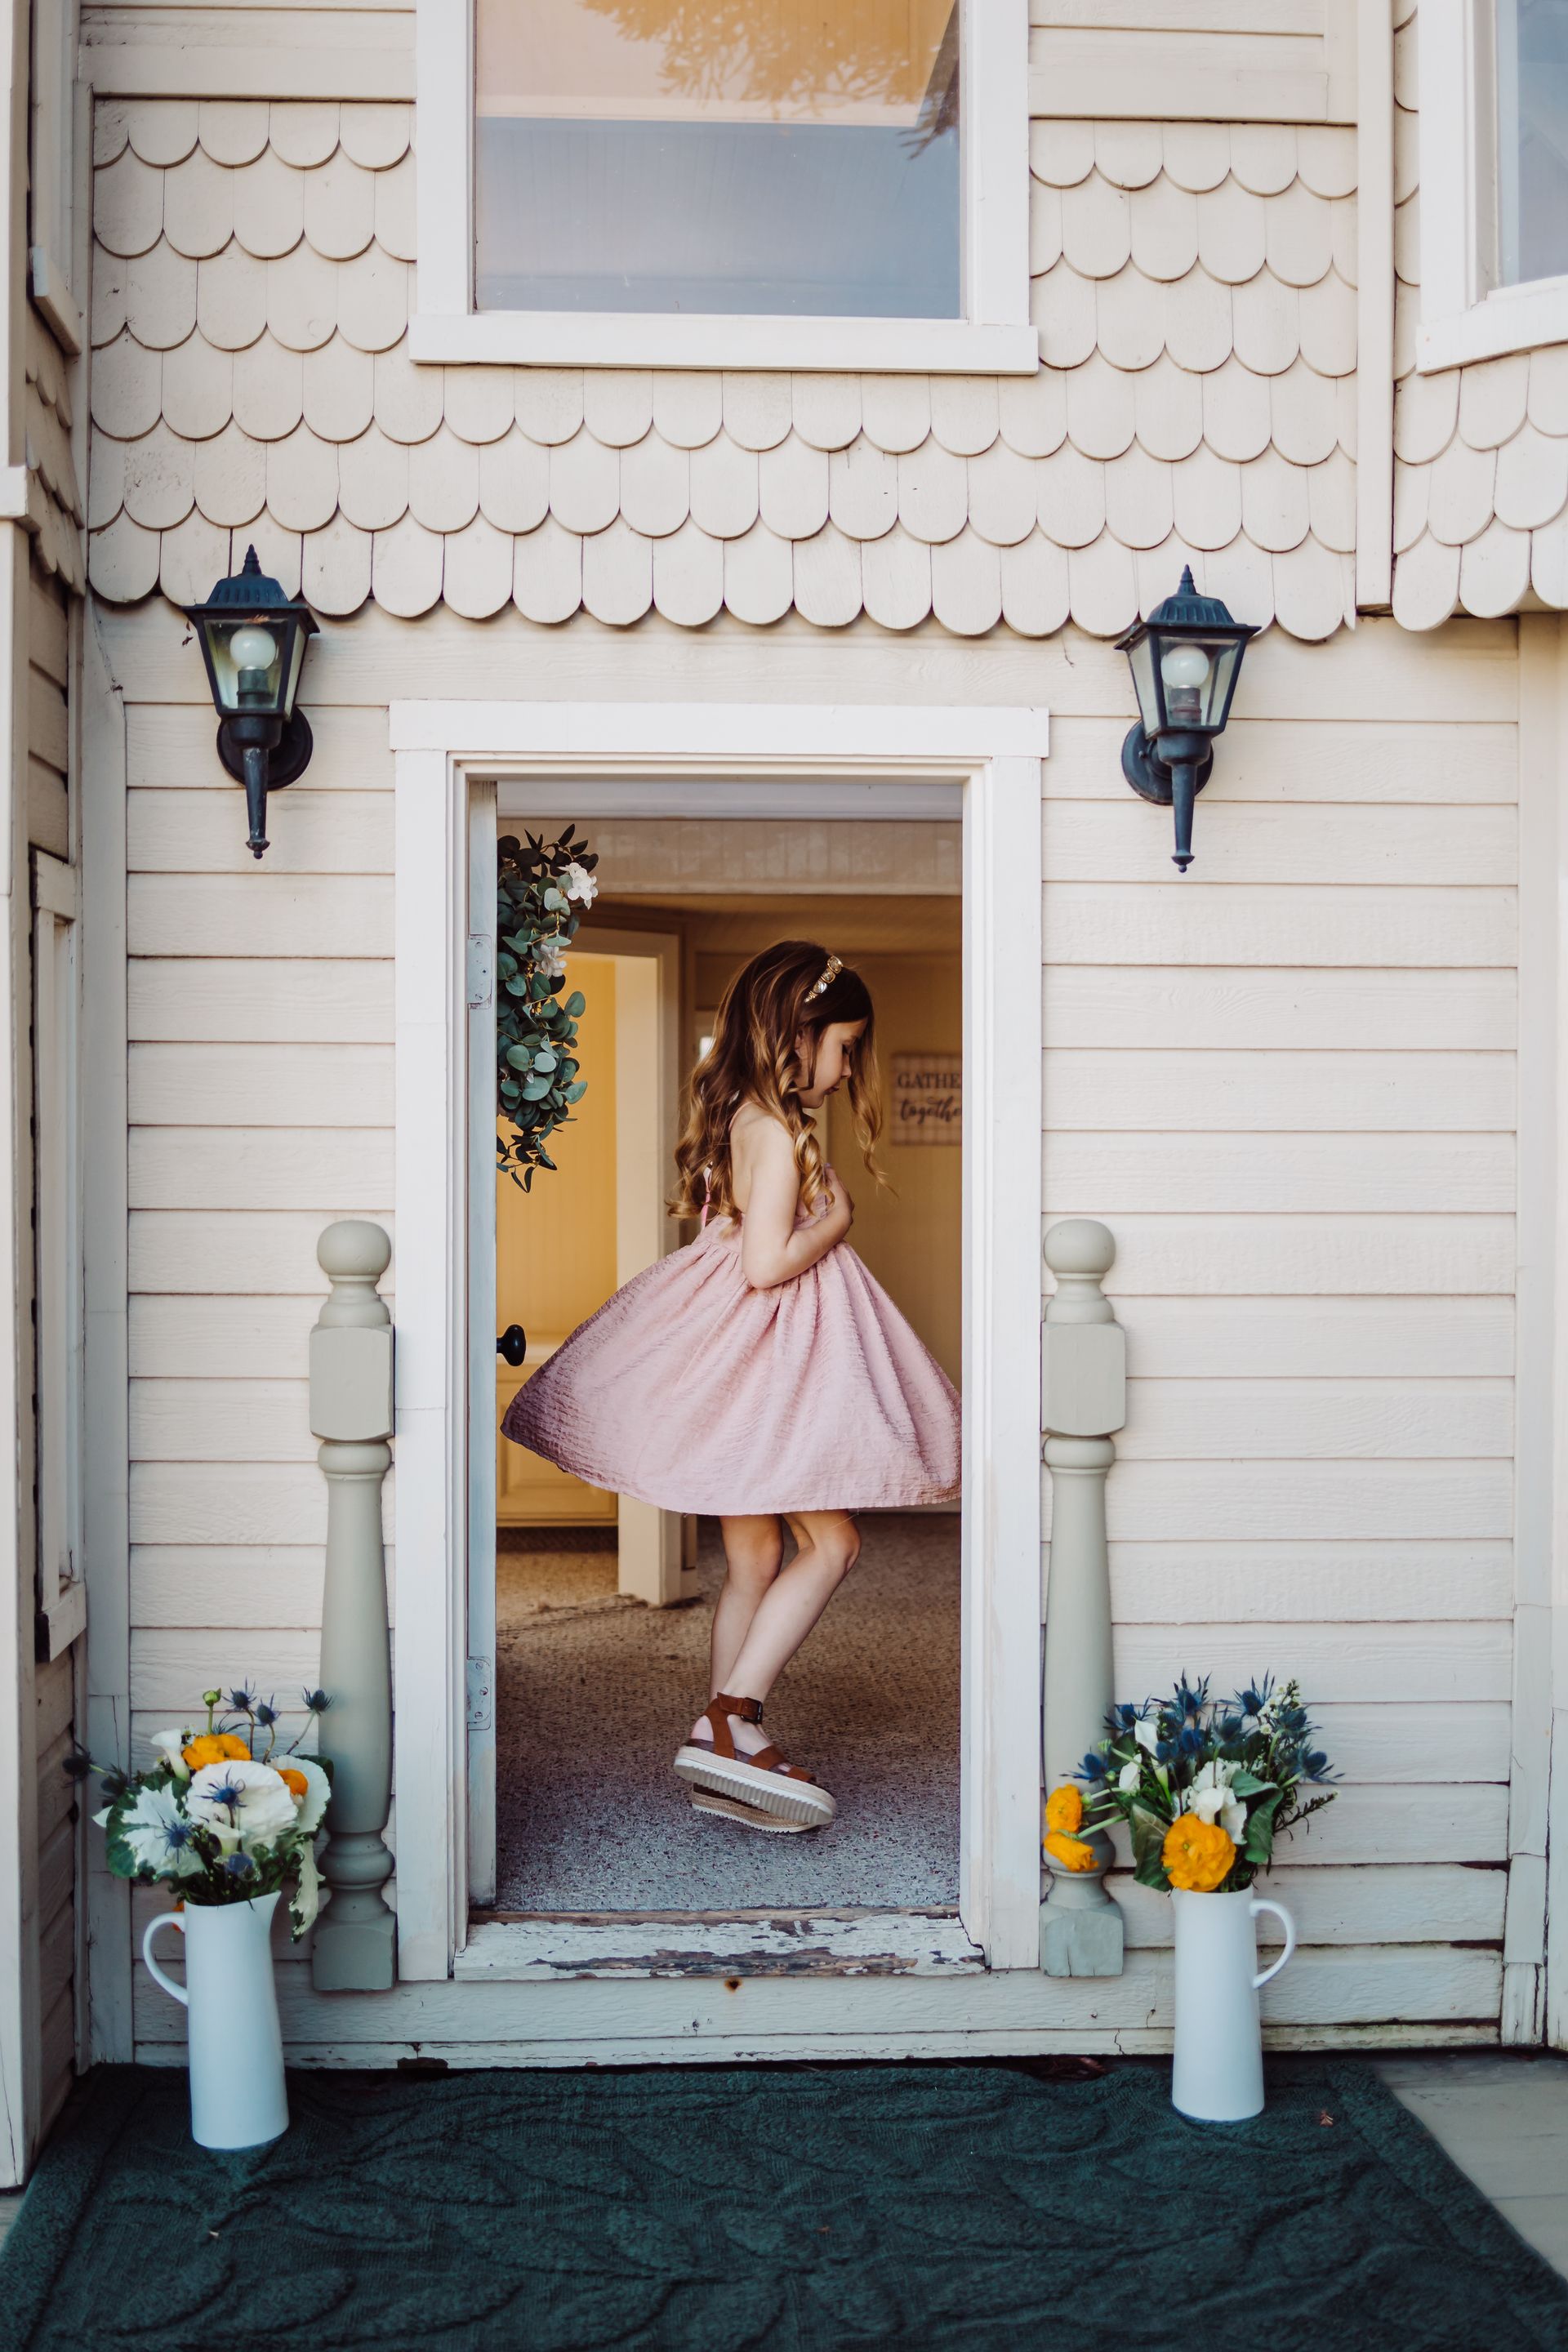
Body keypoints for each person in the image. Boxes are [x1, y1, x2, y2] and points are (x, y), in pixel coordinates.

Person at [501, 940, 960, 1832]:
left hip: (735, 1366)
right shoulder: (780, 1142)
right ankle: (732, 1717)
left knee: (754, 1556)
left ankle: (725, 1746)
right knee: (834, 1547)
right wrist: (838, 1222)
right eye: (845, 1046)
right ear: (799, 1034)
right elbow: (763, 1267)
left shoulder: (744, 1117)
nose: (848, 1066)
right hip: (766, 1372)